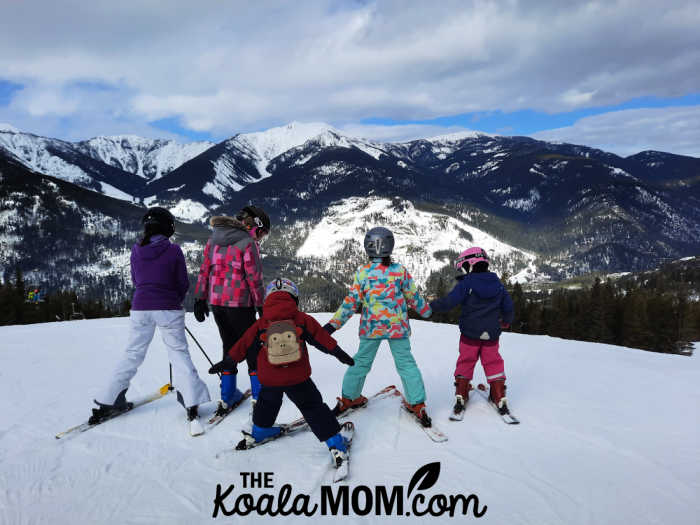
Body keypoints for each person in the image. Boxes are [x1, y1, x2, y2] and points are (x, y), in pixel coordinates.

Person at [208, 278, 356, 466]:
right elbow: (321, 339)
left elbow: (243, 344)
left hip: (269, 378)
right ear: (294, 298)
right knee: (312, 406)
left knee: (266, 403)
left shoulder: (261, 323)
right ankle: (336, 444)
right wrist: (339, 353)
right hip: (298, 377)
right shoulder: (302, 319)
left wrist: (228, 361)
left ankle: (260, 432)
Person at [89, 207, 211, 432]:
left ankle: (108, 400)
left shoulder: (136, 250)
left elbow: (136, 280)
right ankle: (192, 401)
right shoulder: (174, 250)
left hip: (140, 307)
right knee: (178, 352)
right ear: (168, 227)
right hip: (167, 308)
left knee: (133, 353)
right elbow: (182, 283)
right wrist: (173, 301)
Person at [323, 226, 434, 427]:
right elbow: (413, 296)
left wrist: (333, 325)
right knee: (406, 364)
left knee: (361, 362)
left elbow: (351, 302)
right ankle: (417, 403)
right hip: (397, 328)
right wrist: (427, 311)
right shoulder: (399, 271)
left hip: (371, 328)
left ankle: (349, 398)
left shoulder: (363, 273)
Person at [193, 205, 270, 417]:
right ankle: (259, 396)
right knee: (253, 347)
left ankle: (227, 396)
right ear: (255, 226)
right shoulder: (248, 243)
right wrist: (261, 305)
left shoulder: (213, 240)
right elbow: (254, 278)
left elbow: (204, 270)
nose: (260, 239)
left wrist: (200, 298)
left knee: (229, 344)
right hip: (240, 304)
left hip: (217, 303)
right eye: (261, 233)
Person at [429, 247, 514, 417]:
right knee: (493, 362)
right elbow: (509, 307)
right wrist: (506, 321)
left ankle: (462, 392)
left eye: (464, 267)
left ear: (470, 264)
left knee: (466, 361)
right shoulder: (498, 284)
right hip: (491, 334)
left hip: (469, 334)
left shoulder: (467, 283)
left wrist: (430, 307)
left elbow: (449, 302)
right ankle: (498, 394)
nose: (464, 270)